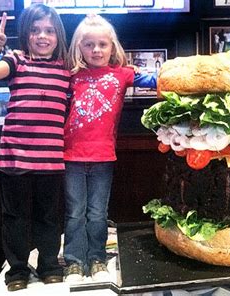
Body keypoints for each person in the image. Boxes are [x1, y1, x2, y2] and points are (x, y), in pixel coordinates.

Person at [0, 4, 69, 292]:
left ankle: (50, 266)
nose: (42, 36)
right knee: (15, 218)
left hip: (51, 161)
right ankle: (17, 270)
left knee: (49, 218)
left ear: (58, 35)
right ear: (25, 34)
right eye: (35, 30)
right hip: (14, 158)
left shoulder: (66, 69)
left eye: (49, 31)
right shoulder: (17, 60)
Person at [63, 14, 157, 283]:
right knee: (74, 213)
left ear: (112, 47)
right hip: (71, 156)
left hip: (104, 156)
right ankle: (74, 262)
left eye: (102, 45)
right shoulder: (71, 76)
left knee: (97, 213)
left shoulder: (122, 74)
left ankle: (96, 258)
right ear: (79, 47)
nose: (96, 50)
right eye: (89, 44)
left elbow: (155, 79)